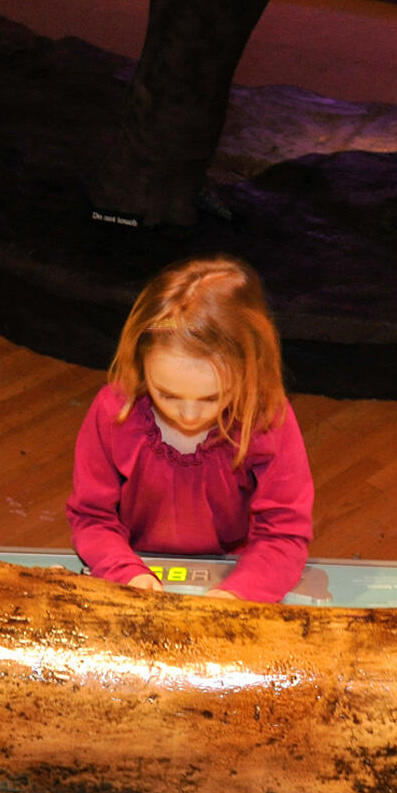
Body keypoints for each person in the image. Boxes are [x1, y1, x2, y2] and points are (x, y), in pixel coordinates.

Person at [66, 256, 313, 603]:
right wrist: (126, 571)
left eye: (213, 397)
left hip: (239, 570)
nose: (188, 414)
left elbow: (285, 533)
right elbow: (91, 516)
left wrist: (238, 592)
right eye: (166, 393)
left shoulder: (266, 416)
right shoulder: (113, 411)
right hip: (133, 565)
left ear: (249, 370)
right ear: (140, 362)